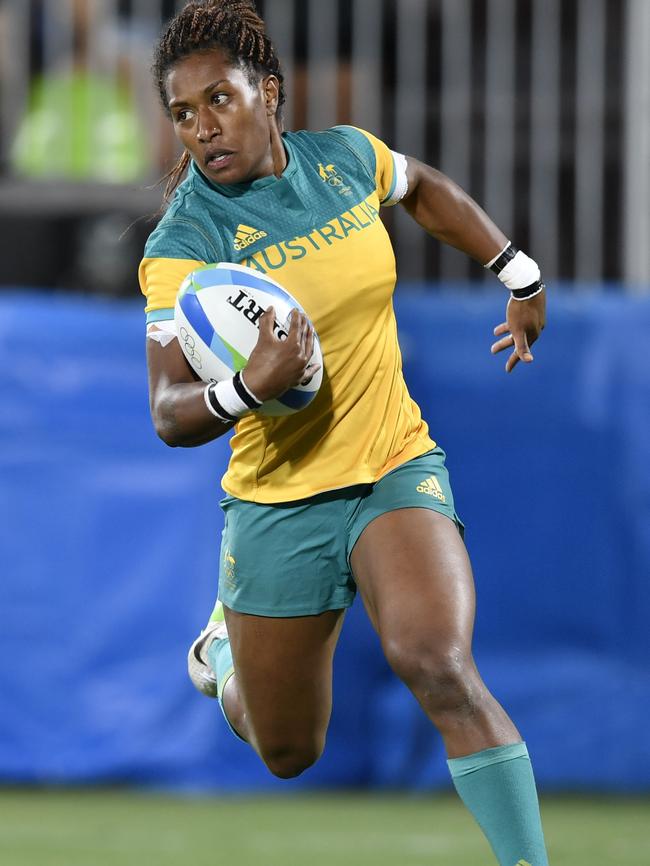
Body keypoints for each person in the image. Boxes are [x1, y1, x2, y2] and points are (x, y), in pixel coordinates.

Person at [139, 2, 549, 864]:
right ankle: (226, 647)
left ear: (271, 93)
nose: (203, 127)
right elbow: (169, 411)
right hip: (279, 502)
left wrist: (516, 270)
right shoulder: (184, 244)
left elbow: (425, 190)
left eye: (220, 99)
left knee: (438, 663)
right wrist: (250, 388)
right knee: (289, 751)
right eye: (184, 113)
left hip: (394, 463)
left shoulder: (345, 160)